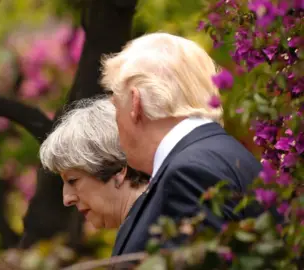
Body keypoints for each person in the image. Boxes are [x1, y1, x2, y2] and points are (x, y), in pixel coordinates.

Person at [100, 32, 263, 256]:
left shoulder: (188, 173)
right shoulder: (219, 154)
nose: (115, 120)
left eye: (115, 106)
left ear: (135, 103)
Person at [39, 97, 150, 230]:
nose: (67, 199)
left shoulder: (154, 233)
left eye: (73, 180)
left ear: (118, 170)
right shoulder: (148, 226)